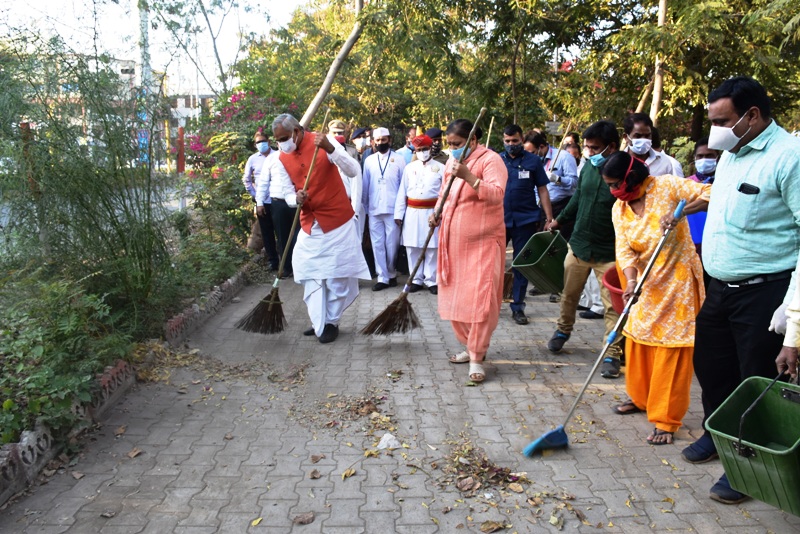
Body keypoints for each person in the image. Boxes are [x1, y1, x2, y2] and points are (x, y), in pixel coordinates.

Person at [678, 76, 800, 505]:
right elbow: (743, 202)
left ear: (752, 115)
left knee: (756, 380)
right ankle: (720, 435)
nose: (715, 132)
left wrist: (794, 316)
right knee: (713, 369)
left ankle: (747, 465)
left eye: (722, 120)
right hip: (721, 288)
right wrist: (704, 199)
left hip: (766, 293)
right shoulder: (732, 152)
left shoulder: (790, 157)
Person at [602, 151, 710, 444]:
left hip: (677, 284)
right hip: (645, 284)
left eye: (615, 184)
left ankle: (666, 419)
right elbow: (624, 250)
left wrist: (683, 212)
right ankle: (641, 399)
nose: (613, 191)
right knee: (638, 341)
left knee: (670, 350)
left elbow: (713, 192)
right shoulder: (619, 209)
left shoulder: (668, 186)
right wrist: (632, 281)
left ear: (632, 178)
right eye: (609, 186)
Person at [271, 113, 371, 344]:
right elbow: (285, 192)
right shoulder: (280, 158)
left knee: (336, 276)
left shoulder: (324, 141)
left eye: (284, 138)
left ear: (297, 131)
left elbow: (353, 170)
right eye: (277, 140)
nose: (281, 143)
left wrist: (332, 149)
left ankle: (331, 322)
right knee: (309, 272)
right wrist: (295, 198)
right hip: (310, 224)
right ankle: (319, 321)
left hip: (338, 220)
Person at [545, 120, 624, 378]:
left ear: (611, 147)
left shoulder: (627, 171)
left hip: (610, 252)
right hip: (578, 246)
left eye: (594, 148)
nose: (589, 152)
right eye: (587, 147)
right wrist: (559, 220)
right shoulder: (589, 166)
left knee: (612, 306)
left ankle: (612, 353)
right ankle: (562, 331)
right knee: (569, 295)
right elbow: (579, 198)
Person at [430, 118, 508, 383]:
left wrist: (470, 178)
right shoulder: (451, 162)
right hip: (453, 242)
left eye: (458, 144)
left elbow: (497, 194)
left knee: (481, 302)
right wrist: (436, 213)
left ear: (473, 140)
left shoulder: (491, 160)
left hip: (484, 244)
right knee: (456, 298)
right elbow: (444, 193)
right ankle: (468, 346)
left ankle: (477, 356)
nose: (453, 149)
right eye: (450, 144)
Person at [502, 125, 554, 325]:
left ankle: (518, 306)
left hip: (526, 220)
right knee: (495, 263)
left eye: (515, 141)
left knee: (521, 264)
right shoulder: (497, 160)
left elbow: (542, 190)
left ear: (521, 139)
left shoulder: (533, 161)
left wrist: (548, 218)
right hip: (500, 219)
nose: (511, 145)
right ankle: (489, 304)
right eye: (507, 141)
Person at [393, 135, 444, 294]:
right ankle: (415, 279)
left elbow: (444, 193)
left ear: (430, 149)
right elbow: (402, 192)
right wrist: (398, 214)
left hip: (432, 212)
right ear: (415, 150)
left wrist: (439, 213)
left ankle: (431, 280)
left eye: (425, 149)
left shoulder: (440, 167)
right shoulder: (410, 167)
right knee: (412, 246)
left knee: (432, 247)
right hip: (412, 212)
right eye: (419, 150)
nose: (422, 152)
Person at [362, 127, 407, 291]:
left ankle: (391, 273)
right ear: (374, 142)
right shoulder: (369, 161)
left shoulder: (399, 159)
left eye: (384, 140)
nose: (381, 143)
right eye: (378, 140)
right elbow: (365, 186)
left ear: (390, 140)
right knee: (377, 244)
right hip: (374, 209)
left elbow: (404, 186)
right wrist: (366, 209)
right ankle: (382, 277)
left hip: (394, 210)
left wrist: (402, 211)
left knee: (392, 244)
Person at [244, 130, 280, 270]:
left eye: (263, 141)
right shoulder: (253, 159)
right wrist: (255, 195)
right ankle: (273, 261)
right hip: (262, 202)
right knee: (267, 232)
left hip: (278, 199)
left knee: (282, 231)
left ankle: (286, 262)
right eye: (258, 142)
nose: (261, 144)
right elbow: (246, 179)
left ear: (269, 141)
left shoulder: (278, 155)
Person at [684, 137, 719, 259]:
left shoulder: (724, 182)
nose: (704, 159)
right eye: (700, 156)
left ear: (717, 158)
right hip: (694, 247)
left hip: (719, 243)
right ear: (695, 158)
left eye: (709, 155)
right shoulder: (686, 184)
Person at [622, 113, 682, 177]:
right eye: (638, 136)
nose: (643, 140)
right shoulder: (619, 162)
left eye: (647, 135)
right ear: (626, 137)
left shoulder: (664, 162)